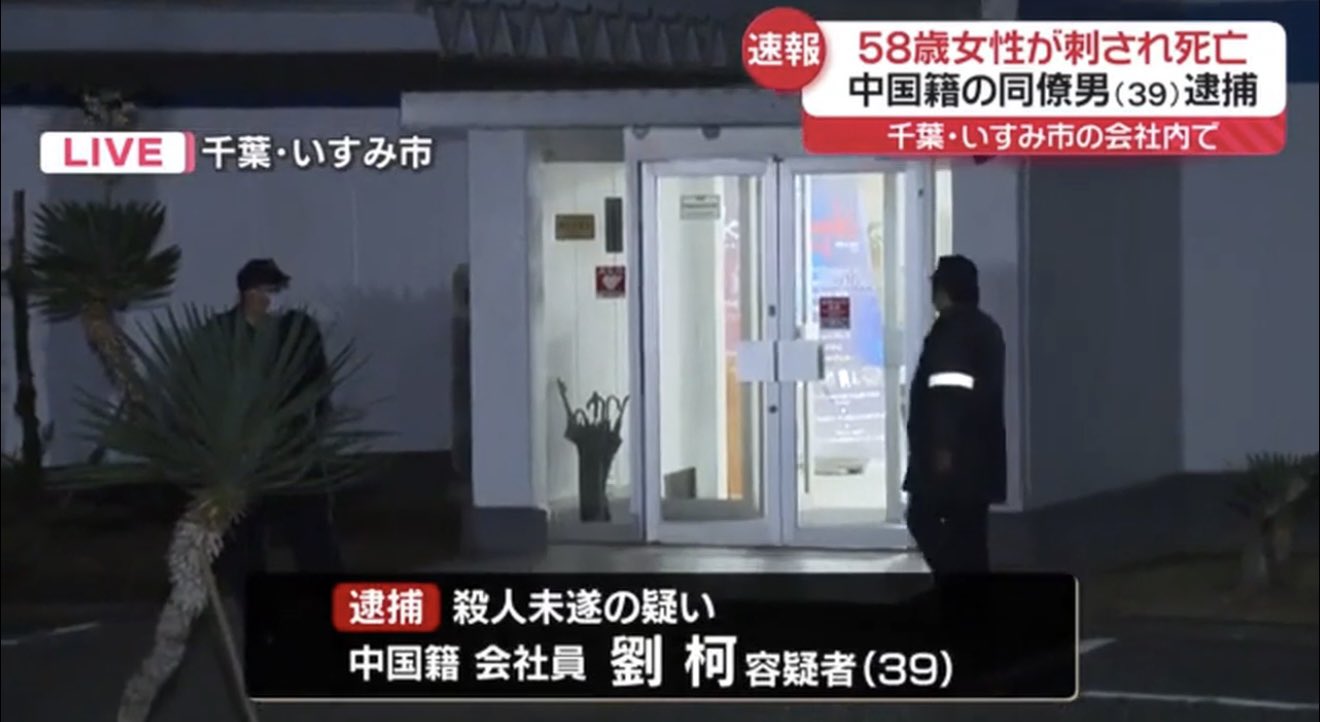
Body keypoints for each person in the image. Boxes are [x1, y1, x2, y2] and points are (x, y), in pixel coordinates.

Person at [212, 258, 344, 599]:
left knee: (312, 534)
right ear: (249, 294)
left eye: (277, 291)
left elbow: (317, 383)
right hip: (244, 455)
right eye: (268, 291)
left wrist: (312, 426)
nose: (274, 299)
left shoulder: (296, 330)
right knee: (244, 540)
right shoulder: (221, 333)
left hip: (293, 450)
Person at [903, 254, 1007, 577]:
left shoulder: (952, 331)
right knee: (971, 534)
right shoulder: (986, 328)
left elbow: (949, 392)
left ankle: (956, 584)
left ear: (944, 289)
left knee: (922, 517)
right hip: (980, 455)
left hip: (954, 456)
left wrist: (943, 447)